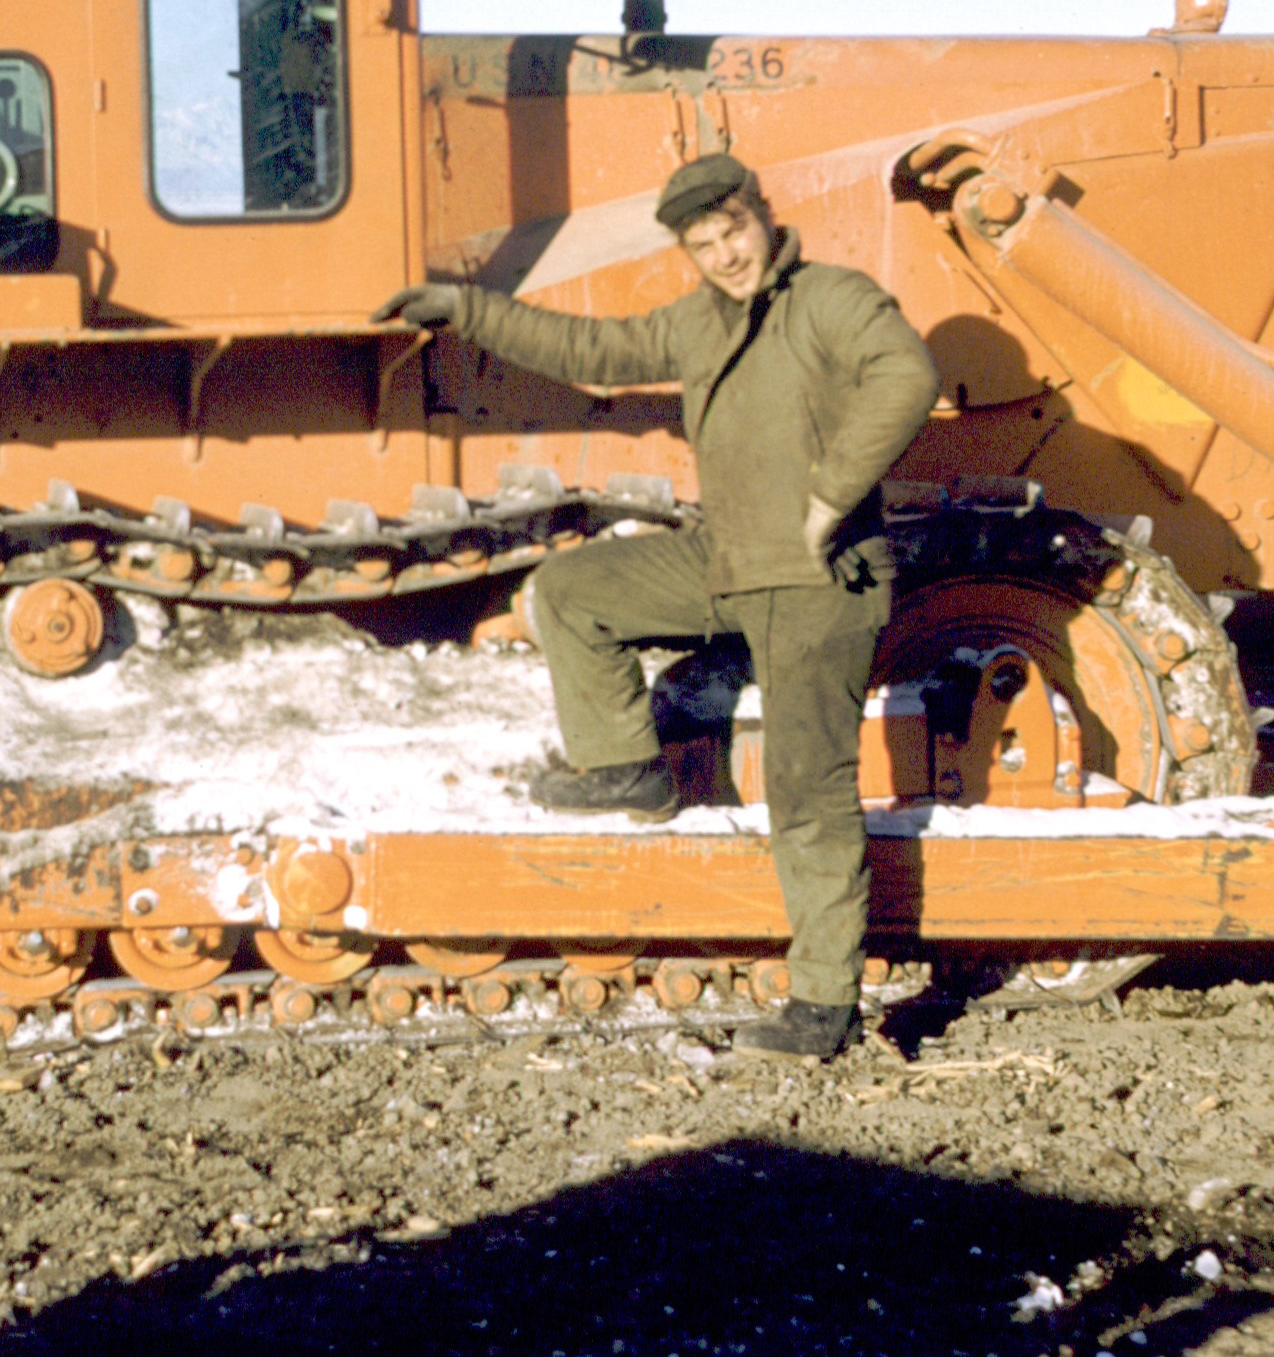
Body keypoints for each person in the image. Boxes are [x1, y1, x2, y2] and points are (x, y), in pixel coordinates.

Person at [373, 153, 940, 1060]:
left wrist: (832, 494)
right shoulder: (699, 320)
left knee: (806, 792)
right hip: (728, 562)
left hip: (817, 584)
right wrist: (467, 311)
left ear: (764, 217)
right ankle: (627, 769)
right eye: (702, 245)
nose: (725, 256)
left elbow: (906, 376)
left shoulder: (832, 298)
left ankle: (825, 1005)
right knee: (570, 591)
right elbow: (592, 353)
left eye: (734, 233)